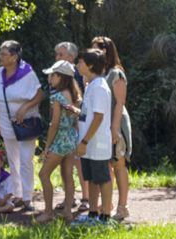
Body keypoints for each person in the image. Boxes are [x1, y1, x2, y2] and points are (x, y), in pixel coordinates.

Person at [0, 40, 43, 211]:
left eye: (3, 54)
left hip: (25, 122)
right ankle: (18, 195)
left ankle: (28, 197)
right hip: (5, 122)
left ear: (14, 57)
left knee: (26, 160)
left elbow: (39, 95)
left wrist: (25, 107)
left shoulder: (27, 73)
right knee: (13, 160)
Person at [72, 48, 115, 224]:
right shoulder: (91, 85)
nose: (77, 65)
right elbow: (90, 114)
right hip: (88, 143)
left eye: (80, 62)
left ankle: (105, 216)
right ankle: (92, 213)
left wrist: (84, 141)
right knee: (90, 179)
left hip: (96, 143)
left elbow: (98, 117)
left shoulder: (99, 87)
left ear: (90, 65)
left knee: (102, 178)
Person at [36, 60, 81, 223]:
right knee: (67, 175)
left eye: (53, 75)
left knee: (43, 174)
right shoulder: (75, 96)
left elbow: (54, 123)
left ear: (61, 77)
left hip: (60, 140)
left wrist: (47, 146)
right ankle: (68, 212)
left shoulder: (57, 96)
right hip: (71, 139)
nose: (50, 78)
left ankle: (48, 212)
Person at [92, 36, 132, 220]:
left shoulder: (117, 74)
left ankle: (122, 206)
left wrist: (114, 129)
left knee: (118, 164)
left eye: (96, 49)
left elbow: (119, 103)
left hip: (115, 124)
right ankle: (106, 203)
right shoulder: (99, 75)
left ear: (105, 51)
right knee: (105, 165)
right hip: (101, 125)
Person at [54, 41, 87, 211]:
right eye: (56, 55)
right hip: (66, 127)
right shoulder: (58, 76)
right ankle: (70, 198)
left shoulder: (81, 74)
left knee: (80, 162)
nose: (56, 58)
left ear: (71, 58)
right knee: (65, 163)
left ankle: (86, 198)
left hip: (79, 125)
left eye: (60, 55)